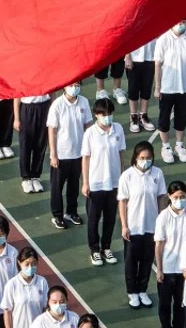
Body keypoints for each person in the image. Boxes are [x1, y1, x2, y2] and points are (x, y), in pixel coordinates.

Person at [117, 141, 165, 308]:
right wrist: (124, 225)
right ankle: (132, 293)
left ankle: (142, 290)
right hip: (133, 227)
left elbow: (160, 198)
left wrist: (160, 221)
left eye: (149, 157)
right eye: (143, 157)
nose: (146, 160)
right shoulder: (127, 176)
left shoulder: (157, 174)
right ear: (136, 158)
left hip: (151, 227)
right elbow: (122, 202)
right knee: (131, 262)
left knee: (147, 260)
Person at [81, 97, 126, 266]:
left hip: (113, 183)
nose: (108, 117)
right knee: (93, 219)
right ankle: (94, 249)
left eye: (110, 114)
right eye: (104, 114)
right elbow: (86, 158)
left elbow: (121, 153)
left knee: (110, 218)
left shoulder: (118, 130)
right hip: (96, 183)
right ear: (96, 115)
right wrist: (85, 183)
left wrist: (121, 177)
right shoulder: (90, 134)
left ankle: (106, 247)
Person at [47, 81, 92, 230]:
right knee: (57, 187)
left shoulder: (84, 102)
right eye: (72, 85)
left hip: (78, 153)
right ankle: (57, 215)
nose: (75, 88)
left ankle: (71, 212)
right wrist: (53, 154)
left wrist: (88, 149)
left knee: (74, 185)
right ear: (65, 86)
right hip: (62, 153)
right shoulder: (57, 105)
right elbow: (52, 130)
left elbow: (87, 126)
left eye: (78, 85)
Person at [155, 20, 186, 163]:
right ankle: (166, 146)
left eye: (183, 22)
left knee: (182, 118)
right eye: (178, 21)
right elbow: (157, 64)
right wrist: (157, 87)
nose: (180, 24)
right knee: (164, 119)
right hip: (167, 88)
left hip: (185, 88)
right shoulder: (163, 39)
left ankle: (179, 145)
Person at [154, 180, 186, 328]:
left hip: (185, 271)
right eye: (176, 197)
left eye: (182, 196)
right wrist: (159, 269)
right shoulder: (163, 217)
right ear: (169, 196)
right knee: (164, 306)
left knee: (181, 305)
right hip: (168, 269)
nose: (180, 200)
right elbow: (159, 245)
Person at [1, 247, 49, 328]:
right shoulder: (12, 284)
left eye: (34, 263)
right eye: (27, 264)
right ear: (19, 263)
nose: (30, 267)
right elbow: (7, 312)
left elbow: (45, 308)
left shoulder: (42, 282)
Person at [17, 94, 51, 194]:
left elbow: (52, 92)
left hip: (44, 107)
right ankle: (26, 178)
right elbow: (17, 98)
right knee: (25, 145)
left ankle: (36, 176)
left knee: (41, 144)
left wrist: (52, 108)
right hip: (28, 108)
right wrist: (17, 118)